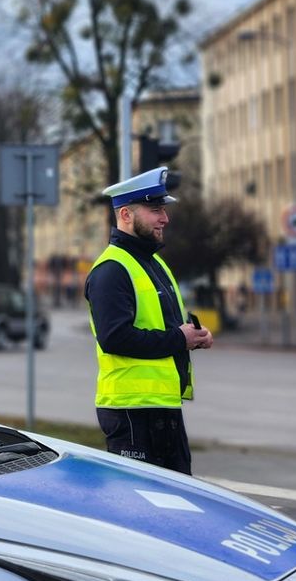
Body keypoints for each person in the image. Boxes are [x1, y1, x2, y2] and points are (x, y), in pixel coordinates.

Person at [84, 167, 213, 475]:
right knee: (139, 512)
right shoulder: (111, 269)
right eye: (155, 210)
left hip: (161, 410)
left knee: (177, 505)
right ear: (126, 214)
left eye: (163, 210)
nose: (164, 218)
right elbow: (115, 338)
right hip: (131, 412)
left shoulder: (153, 262)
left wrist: (192, 337)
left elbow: (161, 327)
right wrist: (179, 339)